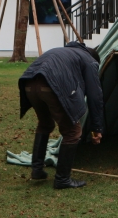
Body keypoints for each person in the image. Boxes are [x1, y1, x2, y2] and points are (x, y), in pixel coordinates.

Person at [18, 42, 104, 189]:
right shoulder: (90, 61)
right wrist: (97, 128)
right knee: (72, 132)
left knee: (45, 124)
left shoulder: (65, 52)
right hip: (51, 84)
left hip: (29, 84)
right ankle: (62, 179)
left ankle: (37, 169)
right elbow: (95, 95)